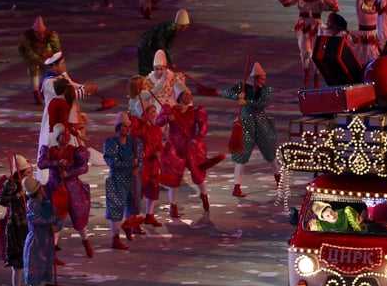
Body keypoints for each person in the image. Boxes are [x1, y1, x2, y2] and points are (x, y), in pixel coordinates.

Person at [156, 85, 223, 217]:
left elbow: (204, 126)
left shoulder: (195, 111)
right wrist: (167, 119)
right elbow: (158, 122)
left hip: (191, 147)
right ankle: (173, 206)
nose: (189, 96)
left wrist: (197, 138)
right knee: (174, 179)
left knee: (198, 176)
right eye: (185, 94)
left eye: (189, 94)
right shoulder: (170, 110)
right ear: (179, 97)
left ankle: (204, 196)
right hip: (175, 147)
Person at [35, 52, 99, 181]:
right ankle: (54, 175)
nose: (65, 66)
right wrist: (84, 91)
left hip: (66, 114)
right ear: (54, 66)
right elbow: (69, 94)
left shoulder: (61, 76)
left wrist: (85, 88)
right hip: (54, 119)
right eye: (62, 64)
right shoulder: (49, 82)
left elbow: (72, 86)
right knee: (56, 144)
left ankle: (70, 172)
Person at [222, 62, 279, 198]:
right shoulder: (242, 87)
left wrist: (246, 102)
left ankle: (279, 179)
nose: (263, 82)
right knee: (241, 155)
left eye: (264, 79)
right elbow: (225, 93)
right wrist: (237, 96)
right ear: (254, 78)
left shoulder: (266, 90)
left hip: (261, 123)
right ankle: (236, 187)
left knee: (270, 152)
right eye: (261, 79)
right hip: (245, 124)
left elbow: (263, 103)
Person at [277, 0, 340, 87]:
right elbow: (290, 1)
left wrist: (332, 6)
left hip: (316, 23)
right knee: (306, 51)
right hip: (304, 23)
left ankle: (316, 76)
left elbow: (332, 5)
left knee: (316, 52)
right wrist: (284, 0)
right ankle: (306, 72)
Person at [37, 123, 93, 257]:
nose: (67, 137)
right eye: (64, 135)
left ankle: (85, 240)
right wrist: (56, 163)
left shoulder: (74, 150)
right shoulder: (50, 150)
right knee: (57, 218)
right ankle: (54, 250)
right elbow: (41, 164)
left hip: (73, 188)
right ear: (58, 136)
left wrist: (70, 173)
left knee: (78, 215)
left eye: (68, 135)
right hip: (56, 188)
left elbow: (84, 167)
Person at [21, 176, 62, 286]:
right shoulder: (32, 205)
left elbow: (58, 221)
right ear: (37, 191)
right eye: (41, 187)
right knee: (34, 281)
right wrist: (49, 223)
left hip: (44, 244)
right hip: (35, 245)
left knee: (37, 281)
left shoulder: (46, 205)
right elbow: (35, 220)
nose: (43, 189)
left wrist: (54, 224)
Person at [103, 112, 144, 249]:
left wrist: (137, 166)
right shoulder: (110, 143)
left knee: (133, 207)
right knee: (116, 210)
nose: (127, 129)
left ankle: (129, 227)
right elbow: (112, 162)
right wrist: (130, 164)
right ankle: (115, 238)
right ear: (118, 127)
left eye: (128, 126)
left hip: (133, 178)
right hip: (117, 180)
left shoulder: (135, 142)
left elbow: (140, 160)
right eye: (124, 126)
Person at [0, 154, 33, 286]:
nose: (30, 173)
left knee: (24, 262)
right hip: (15, 226)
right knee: (17, 263)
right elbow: (1, 199)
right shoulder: (12, 183)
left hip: (26, 225)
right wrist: (18, 195)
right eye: (27, 171)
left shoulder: (28, 183)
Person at [18, 15, 61, 105]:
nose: (41, 36)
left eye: (42, 33)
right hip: (31, 55)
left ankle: (43, 88)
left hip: (45, 54)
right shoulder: (27, 37)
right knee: (34, 69)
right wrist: (40, 59)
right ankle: (36, 92)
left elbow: (57, 50)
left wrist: (56, 61)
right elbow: (29, 53)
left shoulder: (51, 35)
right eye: (38, 34)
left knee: (46, 71)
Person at [137, 9, 190, 76]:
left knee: (152, 66)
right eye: (187, 26)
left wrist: (170, 61)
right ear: (183, 25)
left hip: (150, 45)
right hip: (146, 45)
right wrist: (168, 59)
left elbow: (167, 46)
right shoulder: (170, 29)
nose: (187, 28)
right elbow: (160, 42)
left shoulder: (173, 29)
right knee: (147, 67)